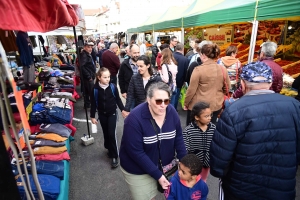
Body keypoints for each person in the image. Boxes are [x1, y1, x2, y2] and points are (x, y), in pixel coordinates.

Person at [210, 61, 300, 200]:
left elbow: (218, 163)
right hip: (281, 188)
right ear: (270, 83)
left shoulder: (234, 111)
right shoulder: (294, 106)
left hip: (240, 189)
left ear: (243, 84)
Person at [119, 82, 187, 200]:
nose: (163, 105)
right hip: (138, 169)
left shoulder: (172, 112)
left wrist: (185, 162)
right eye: (158, 101)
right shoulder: (134, 119)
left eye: (166, 101)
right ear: (148, 100)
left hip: (164, 166)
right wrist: (158, 175)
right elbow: (136, 152)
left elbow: (179, 137)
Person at [184, 44, 230, 125]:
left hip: (199, 107)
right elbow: (227, 88)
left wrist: (186, 103)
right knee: (210, 129)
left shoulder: (198, 70)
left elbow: (191, 90)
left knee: (195, 130)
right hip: (216, 105)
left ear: (204, 55)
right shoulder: (222, 69)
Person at [90, 67, 126, 168]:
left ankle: (115, 156)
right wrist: (92, 116)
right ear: (99, 77)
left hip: (112, 113)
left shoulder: (113, 87)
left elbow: (118, 100)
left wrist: (123, 110)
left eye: (109, 77)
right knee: (106, 133)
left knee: (111, 133)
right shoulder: (95, 89)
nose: (108, 79)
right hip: (102, 114)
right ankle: (109, 149)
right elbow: (93, 103)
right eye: (105, 77)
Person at [183, 102, 215, 183]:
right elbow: (185, 148)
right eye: (206, 116)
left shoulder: (213, 128)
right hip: (192, 165)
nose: (209, 118)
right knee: (191, 181)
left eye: (210, 115)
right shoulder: (189, 131)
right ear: (197, 117)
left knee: (202, 181)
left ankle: (199, 194)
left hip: (206, 164)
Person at [173, 43, 189, 111]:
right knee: (176, 96)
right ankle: (174, 110)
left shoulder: (171, 56)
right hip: (179, 81)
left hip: (170, 80)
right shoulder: (185, 59)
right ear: (182, 49)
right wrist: (185, 81)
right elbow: (186, 72)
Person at [80, 42, 96, 109]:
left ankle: (87, 105)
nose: (90, 49)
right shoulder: (84, 55)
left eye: (91, 47)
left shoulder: (87, 54)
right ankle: (92, 107)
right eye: (88, 47)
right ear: (85, 47)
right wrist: (89, 77)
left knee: (87, 92)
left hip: (88, 77)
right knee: (91, 93)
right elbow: (82, 67)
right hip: (88, 78)